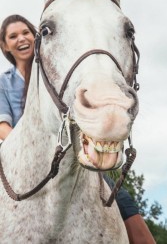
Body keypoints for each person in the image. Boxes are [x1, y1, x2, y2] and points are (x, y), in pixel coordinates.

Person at [0, 14, 155, 244]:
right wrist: (29, 152)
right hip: (19, 158)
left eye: (25, 32)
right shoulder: (4, 82)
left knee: (121, 200)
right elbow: (2, 126)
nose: (21, 38)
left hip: (73, 156)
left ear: (36, 37)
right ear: (4, 45)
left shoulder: (56, 71)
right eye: (13, 36)